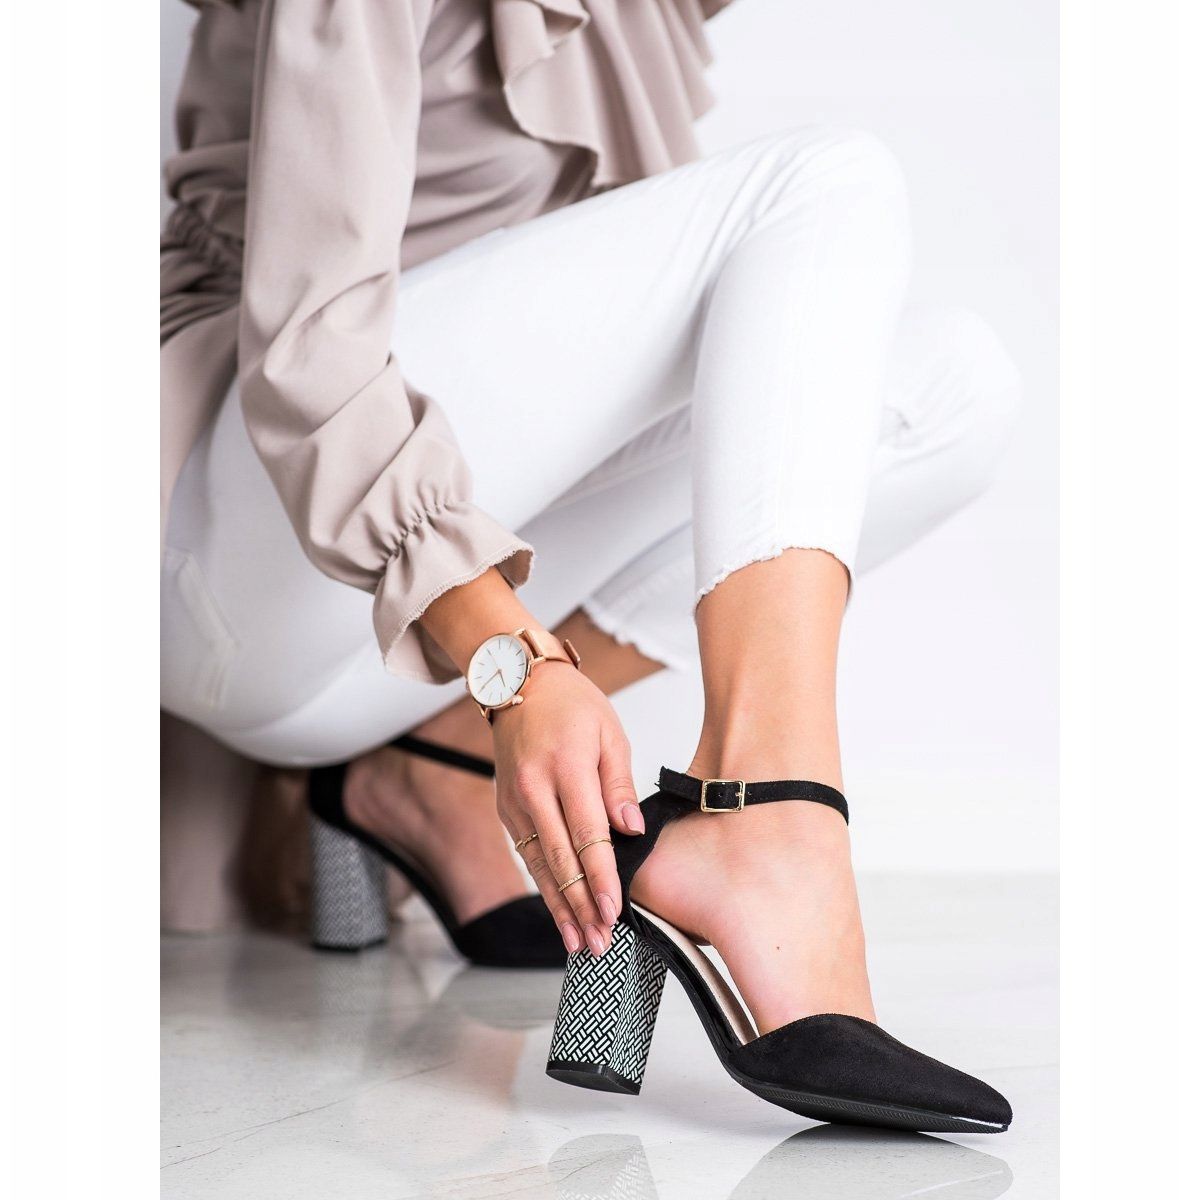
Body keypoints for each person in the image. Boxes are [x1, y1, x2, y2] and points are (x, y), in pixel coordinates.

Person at [162, 0, 1019, 1131]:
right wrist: (514, 661)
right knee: (829, 181)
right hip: (232, 540)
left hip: (392, 638)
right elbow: (308, 355)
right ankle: (767, 820)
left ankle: (438, 758)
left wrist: (502, 677)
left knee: (954, 385)